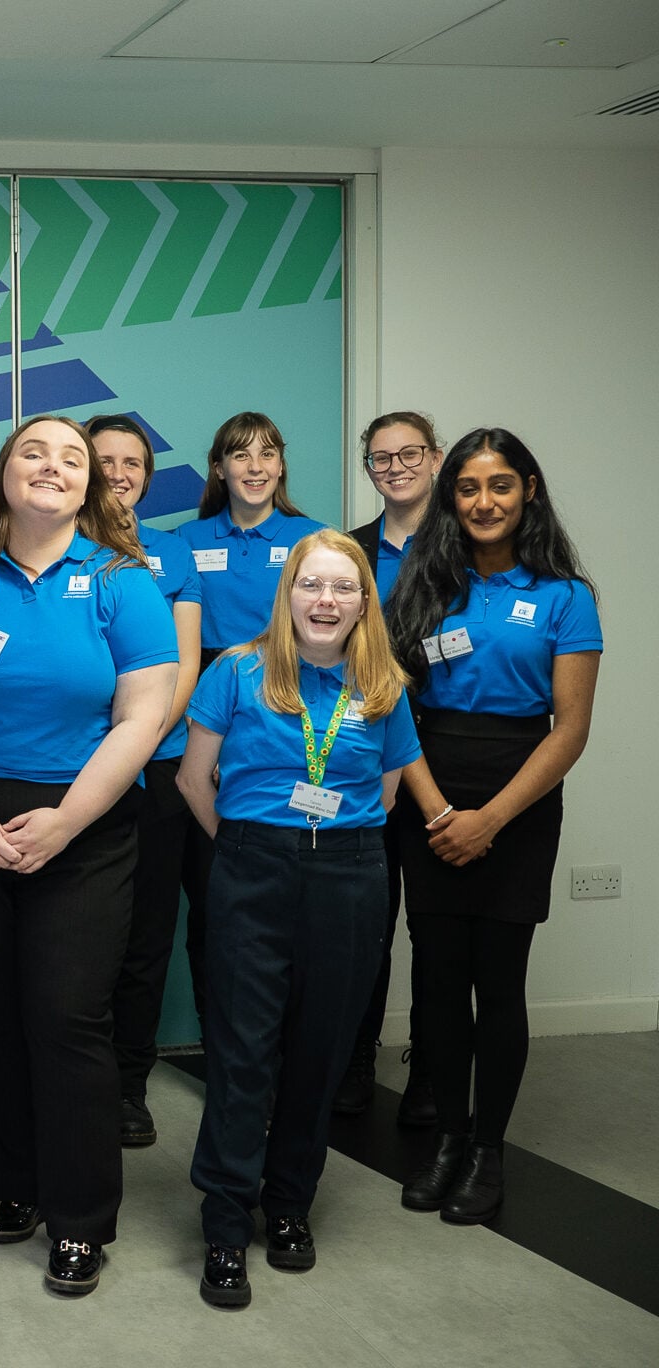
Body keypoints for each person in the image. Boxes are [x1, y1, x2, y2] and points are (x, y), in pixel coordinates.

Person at [0, 414, 177, 1298]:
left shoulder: (122, 581)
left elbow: (144, 716)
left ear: (91, 484)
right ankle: (15, 1188)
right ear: (3, 473)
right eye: (35, 452)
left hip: (86, 825)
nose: (53, 468)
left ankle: (81, 1217)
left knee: (66, 1019)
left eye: (73, 458)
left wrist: (63, 820)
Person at [177, 530, 420, 1310]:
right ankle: (224, 1222)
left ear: (362, 602)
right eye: (311, 585)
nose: (325, 600)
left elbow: (386, 794)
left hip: (349, 873)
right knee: (244, 1050)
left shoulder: (382, 684)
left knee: (320, 1050)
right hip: (252, 867)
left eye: (342, 588)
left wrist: (322, 849)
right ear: (288, 596)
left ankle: (288, 1208)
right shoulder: (237, 671)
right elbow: (192, 779)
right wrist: (253, 848)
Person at [388, 429, 600, 1225]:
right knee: (438, 982)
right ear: (451, 499)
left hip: (520, 795)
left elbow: (570, 729)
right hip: (431, 783)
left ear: (529, 492)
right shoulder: (423, 582)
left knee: (498, 985)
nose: (484, 502)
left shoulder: (565, 596)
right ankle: (446, 1138)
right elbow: (394, 706)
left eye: (501, 486)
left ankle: (487, 1151)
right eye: (469, 488)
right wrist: (441, 811)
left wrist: (491, 819)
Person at [173, 412, 325, 1027]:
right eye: (240, 455)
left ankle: (293, 1053)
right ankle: (225, 1051)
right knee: (213, 901)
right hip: (204, 710)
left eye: (267, 454)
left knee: (291, 904)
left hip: (286, 704)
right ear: (220, 468)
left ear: (282, 465)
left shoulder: (313, 539)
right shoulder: (185, 540)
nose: (255, 467)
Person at [87, 414, 202, 1149]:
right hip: (70, 770)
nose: (119, 473)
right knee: (80, 934)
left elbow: (185, 663)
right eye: (105, 460)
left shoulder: (174, 553)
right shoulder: (59, 550)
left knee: (146, 933)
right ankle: (77, 1074)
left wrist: (140, 740)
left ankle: (129, 1082)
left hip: (157, 767)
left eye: (133, 463)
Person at [337, 411, 447, 1122]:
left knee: (436, 927)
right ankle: (352, 1061)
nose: (396, 466)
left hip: (448, 755)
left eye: (410, 453)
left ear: (437, 459)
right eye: (381, 458)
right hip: (365, 752)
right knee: (362, 923)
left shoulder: (469, 545)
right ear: (367, 468)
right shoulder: (350, 550)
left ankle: (432, 1073)